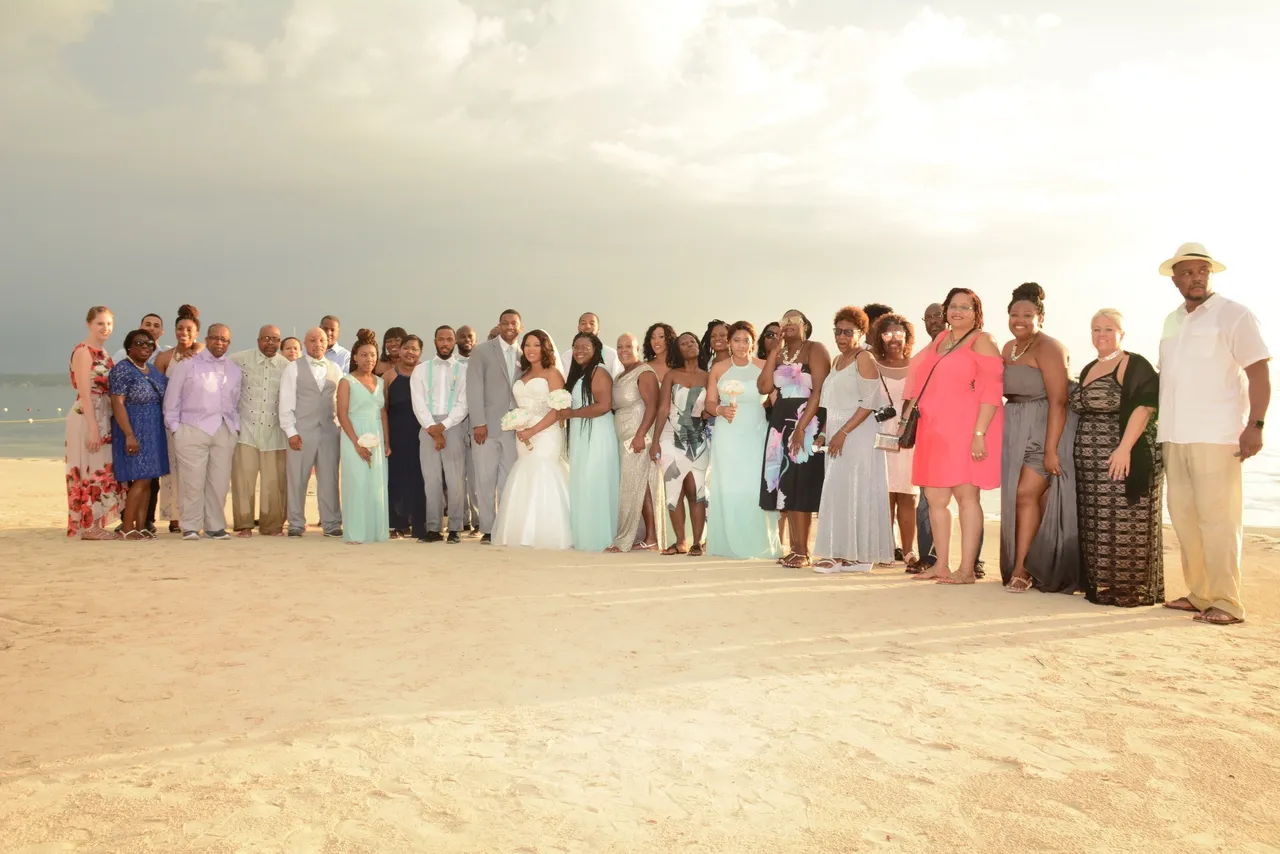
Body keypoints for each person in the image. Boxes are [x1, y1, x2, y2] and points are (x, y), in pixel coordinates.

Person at [1157, 242, 1270, 625]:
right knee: (1185, 517)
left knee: (1218, 519)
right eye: (1187, 273)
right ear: (1175, 279)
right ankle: (1200, 593)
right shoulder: (1172, 320)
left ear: (1210, 275)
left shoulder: (1234, 315)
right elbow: (1167, 377)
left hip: (1217, 434)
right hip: (1174, 434)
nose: (1196, 279)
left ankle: (1227, 601)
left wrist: (1255, 426)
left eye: (1202, 272)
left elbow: (1258, 372)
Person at [903, 288, 1003, 584]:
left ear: (976, 312)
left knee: (966, 497)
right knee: (935, 498)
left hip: (965, 428)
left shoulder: (983, 340)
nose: (957, 311)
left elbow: (991, 391)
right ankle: (941, 564)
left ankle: (967, 569)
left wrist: (980, 433)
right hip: (933, 429)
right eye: (953, 306)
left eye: (965, 307)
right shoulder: (940, 339)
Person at [1070, 309, 1164, 607]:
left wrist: (1124, 448)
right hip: (1090, 465)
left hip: (1123, 454)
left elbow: (1145, 406)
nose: (1101, 335)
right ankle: (1103, 585)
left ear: (1122, 334)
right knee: (1098, 522)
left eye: (1109, 329)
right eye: (1096, 329)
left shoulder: (1133, 364)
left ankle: (1129, 590)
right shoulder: (1087, 369)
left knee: (1126, 519)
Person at [999, 283, 1080, 594]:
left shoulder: (1050, 348)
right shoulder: (1008, 348)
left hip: (1049, 428)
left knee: (1024, 495)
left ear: (1041, 317)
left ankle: (1022, 569)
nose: (1020, 319)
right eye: (1014, 314)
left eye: (1028, 315)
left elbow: (1060, 400)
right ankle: (1043, 564)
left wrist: (1051, 450)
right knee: (1035, 499)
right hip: (1018, 428)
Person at [812, 307, 893, 571]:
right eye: (838, 331)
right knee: (838, 490)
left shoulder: (864, 358)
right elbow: (831, 404)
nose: (842, 336)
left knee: (855, 488)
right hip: (837, 431)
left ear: (861, 333)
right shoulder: (836, 361)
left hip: (857, 433)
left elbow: (869, 403)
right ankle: (849, 555)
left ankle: (845, 555)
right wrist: (825, 432)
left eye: (848, 331)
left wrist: (842, 432)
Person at [759, 310, 830, 569]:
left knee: (801, 483)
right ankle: (794, 548)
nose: (787, 324)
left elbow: (820, 390)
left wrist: (801, 428)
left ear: (805, 326)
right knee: (786, 485)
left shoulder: (816, 349)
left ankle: (804, 551)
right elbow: (764, 387)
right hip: (780, 422)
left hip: (806, 419)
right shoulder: (778, 353)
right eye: (784, 321)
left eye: (794, 320)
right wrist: (772, 352)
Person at [704, 321, 780, 560]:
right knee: (729, 484)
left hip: (756, 433)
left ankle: (759, 543)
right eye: (736, 340)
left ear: (753, 343)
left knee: (754, 485)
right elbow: (709, 403)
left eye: (746, 340)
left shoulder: (764, 366)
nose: (741, 345)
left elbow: (777, 399)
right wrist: (720, 411)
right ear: (729, 342)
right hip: (728, 435)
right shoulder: (719, 368)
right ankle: (727, 542)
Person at [492, 330, 572, 549]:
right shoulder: (523, 375)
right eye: (527, 345)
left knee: (543, 472)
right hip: (523, 435)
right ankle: (523, 532)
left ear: (544, 347)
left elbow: (557, 410)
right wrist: (518, 424)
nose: (530, 349)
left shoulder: (552, 373)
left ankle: (549, 533)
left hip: (546, 434)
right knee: (524, 473)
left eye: (536, 345)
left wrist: (533, 430)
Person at [163, 323, 242, 540]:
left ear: (228, 343)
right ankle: (189, 525)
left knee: (219, 482)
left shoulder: (234, 370)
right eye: (215, 338)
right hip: (192, 428)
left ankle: (214, 526)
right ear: (206, 339)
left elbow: (235, 402)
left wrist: (235, 428)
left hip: (223, 430)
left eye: (224, 339)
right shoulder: (187, 365)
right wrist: (176, 429)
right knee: (192, 481)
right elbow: (172, 399)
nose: (219, 342)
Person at [66, 306, 125, 539]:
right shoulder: (83, 352)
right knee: (88, 469)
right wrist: (93, 428)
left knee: (102, 469)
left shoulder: (104, 353)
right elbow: (84, 392)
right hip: (86, 416)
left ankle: (96, 524)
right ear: (89, 324)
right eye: (100, 323)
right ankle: (88, 527)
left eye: (109, 324)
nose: (105, 328)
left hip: (103, 415)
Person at [279, 327, 344, 538]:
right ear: (305, 344)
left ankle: (331, 522)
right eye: (313, 340)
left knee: (329, 479)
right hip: (302, 431)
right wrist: (291, 432)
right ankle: (296, 522)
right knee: (297, 478)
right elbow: (286, 402)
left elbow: (340, 403)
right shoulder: (293, 369)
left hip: (328, 432)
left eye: (322, 340)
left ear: (327, 343)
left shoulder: (336, 368)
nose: (318, 344)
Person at [467, 309, 523, 544]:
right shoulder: (481, 351)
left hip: (515, 430)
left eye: (514, 323)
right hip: (486, 427)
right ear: (498, 325)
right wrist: (479, 422)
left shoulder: (526, 354)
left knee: (509, 479)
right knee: (485, 478)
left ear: (520, 326)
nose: (509, 326)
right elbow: (474, 387)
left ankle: (506, 526)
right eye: (505, 323)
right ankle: (489, 529)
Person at [560, 332, 620, 551]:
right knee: (583, 482)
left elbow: (604, 405)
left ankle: (599, 537)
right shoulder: (579, 375)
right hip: (582, 433)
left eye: (586, 346)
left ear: (597, 350)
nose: (580, 350)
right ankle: (584, 535)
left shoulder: (599, 372)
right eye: (576, 347)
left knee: (595, 482)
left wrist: (572, 414)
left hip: (597, 434)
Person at [607, 333, 666, 553]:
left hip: (638, 436)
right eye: (619, 346)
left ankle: (648, 537)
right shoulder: (621, 375)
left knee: (640, 486)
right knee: (637, 486)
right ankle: (647, 536)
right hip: (625, 437)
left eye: (628, 346)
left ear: (637, 348)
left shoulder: (644, 372)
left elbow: (652, 406)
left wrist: (641, 435)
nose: (623, 350)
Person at [228, 325, 289, 537]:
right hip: (246, 431)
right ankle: (244, 525)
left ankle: (271, 526)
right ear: (258, 340)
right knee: (243, 482)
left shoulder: (287, 366)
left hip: (275, 433)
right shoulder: (238, 359)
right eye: (266, 338)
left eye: (275, 339)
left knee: (274, 483)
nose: (270, 343)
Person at [412, 326, 470, 543]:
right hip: (427, 426)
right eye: (441, 339)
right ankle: (434, 528)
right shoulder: (421, 370)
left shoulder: (464, 370)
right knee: (432, 480)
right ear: (435, 341)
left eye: (449, 339)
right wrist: (432, 428)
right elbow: (417, 403)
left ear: (454, 342)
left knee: (455, 479)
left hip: (453, 425)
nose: (445, 343)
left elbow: (464, 403)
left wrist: (443, 426)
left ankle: (455, 527)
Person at [109, 329, 169, 540]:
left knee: (148, 479)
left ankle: (141, 526)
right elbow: (117, 403)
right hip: (133, 429)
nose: (145, 347)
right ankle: (127, 527)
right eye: (139, 343)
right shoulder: (122, 370)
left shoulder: (152, 370)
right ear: (129, 347)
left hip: (153, 429)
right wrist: (129, 435)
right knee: (140, 480)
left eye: (149, 344)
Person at [655, 332, 711, 555]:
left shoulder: (709, 377)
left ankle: (698, 541)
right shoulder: (671, 375)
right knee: (674, 488)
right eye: (684, 343)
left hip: (698, 438)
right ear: (678, 350)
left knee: (695, 488)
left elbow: (712, 407)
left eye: (693, 342)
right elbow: (662, 409)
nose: (690, 345)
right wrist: (655, 442)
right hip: (670, 436)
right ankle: (680, 541)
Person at [871, 314, 918, 566]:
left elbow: (919, 399)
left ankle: (909, 551)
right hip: (879, 433)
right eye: (888, 334)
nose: (894, 339)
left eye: (899, 334)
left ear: (907, 338)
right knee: (884, 494)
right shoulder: (873, 365)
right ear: (880, 338)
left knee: (908, 495)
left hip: (908, 434)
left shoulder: (916, 365)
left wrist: (904, 422)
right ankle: (886, 548)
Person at [338, 330, 390, 544]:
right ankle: (356, 532)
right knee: (357, 482)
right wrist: (356, 443)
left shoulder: (380, 382)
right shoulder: (346, 381)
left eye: (372, 354)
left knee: (376, 484)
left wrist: (387, 442)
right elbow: (342, 414)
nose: (369, 359)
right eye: (364, 355)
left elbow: (383, 413)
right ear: (355, 357)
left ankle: (376, 531)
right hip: (354, 435)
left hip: (377, 435)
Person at [155, 304, 203, 533]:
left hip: (197, 421)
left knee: (194, 469)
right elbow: (154, 390)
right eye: (180, 328)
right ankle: (175, 515)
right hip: (171, 422)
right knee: (173, 468)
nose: (184, 332)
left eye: (188, 329)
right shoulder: (165, 357)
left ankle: (194, 514)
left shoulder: (202, 354)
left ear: (196, 333)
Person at [385, 334, 426, 540]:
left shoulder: (426, 373)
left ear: (420, 353)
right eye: (407, 348)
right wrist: (385, 439)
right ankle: (397, 524)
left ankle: (419, 522)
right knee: (397, 479)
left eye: (415, 349)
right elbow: (382, 409)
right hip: (397, 434)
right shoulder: (389, 376)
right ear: (399, 350)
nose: (410, 352)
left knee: (419, 479)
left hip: (421, 433)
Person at [455, 325, 480, 535]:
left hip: (476, 421)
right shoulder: (451, 365)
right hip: (455, 422)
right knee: (457, 474)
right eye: (461, 336)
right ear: (456, 340)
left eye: (469, 336)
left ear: (476, 339)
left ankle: (479, 520)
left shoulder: (481, 362)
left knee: (475, 474)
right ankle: (461, 519)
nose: (466, 339)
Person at [578, 313, 623, 378]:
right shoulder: (567, 356)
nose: (587, 326)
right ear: (578, 328)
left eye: (592, 323)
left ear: (598, 329)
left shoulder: (612, 355)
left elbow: (617, 383)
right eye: (583, 323)